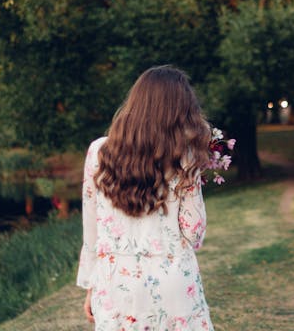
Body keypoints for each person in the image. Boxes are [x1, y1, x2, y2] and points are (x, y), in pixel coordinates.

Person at [76, 66, 214, 330]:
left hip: (116, 284)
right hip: (172, 282)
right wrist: (193, 172)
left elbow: (91, 231)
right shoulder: (184, 157)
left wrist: (92, 286)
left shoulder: (98, 152)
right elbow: (194, 233)